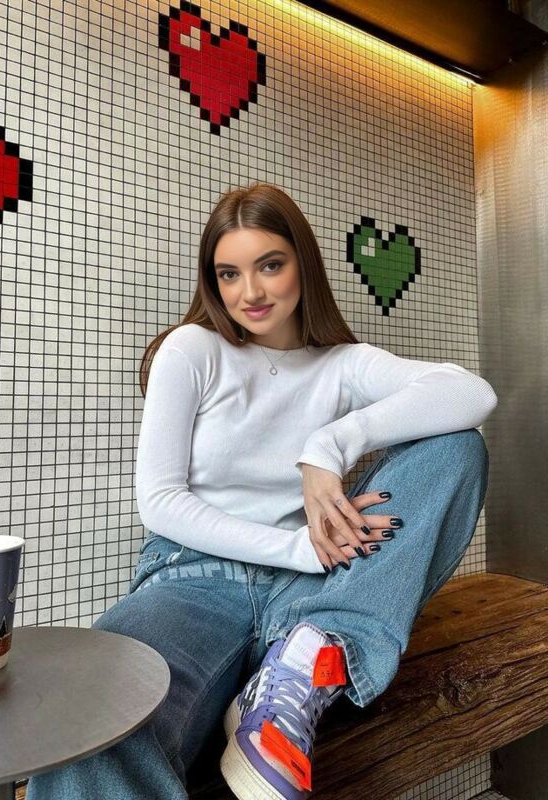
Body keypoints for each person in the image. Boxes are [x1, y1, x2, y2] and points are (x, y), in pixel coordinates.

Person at [26, 183, 497, 800]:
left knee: (456, 447)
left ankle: (310, 656)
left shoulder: (343, 364)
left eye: (270, 265)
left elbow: (472, 394)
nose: (249, 292)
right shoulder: (192, 349)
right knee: (94, 711)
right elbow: (160, 502)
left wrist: (330, 445)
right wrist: (299, 549)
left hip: (319, 592)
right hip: (194, 582)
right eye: (229, 274)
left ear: (304, 264)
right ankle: (295, 664)